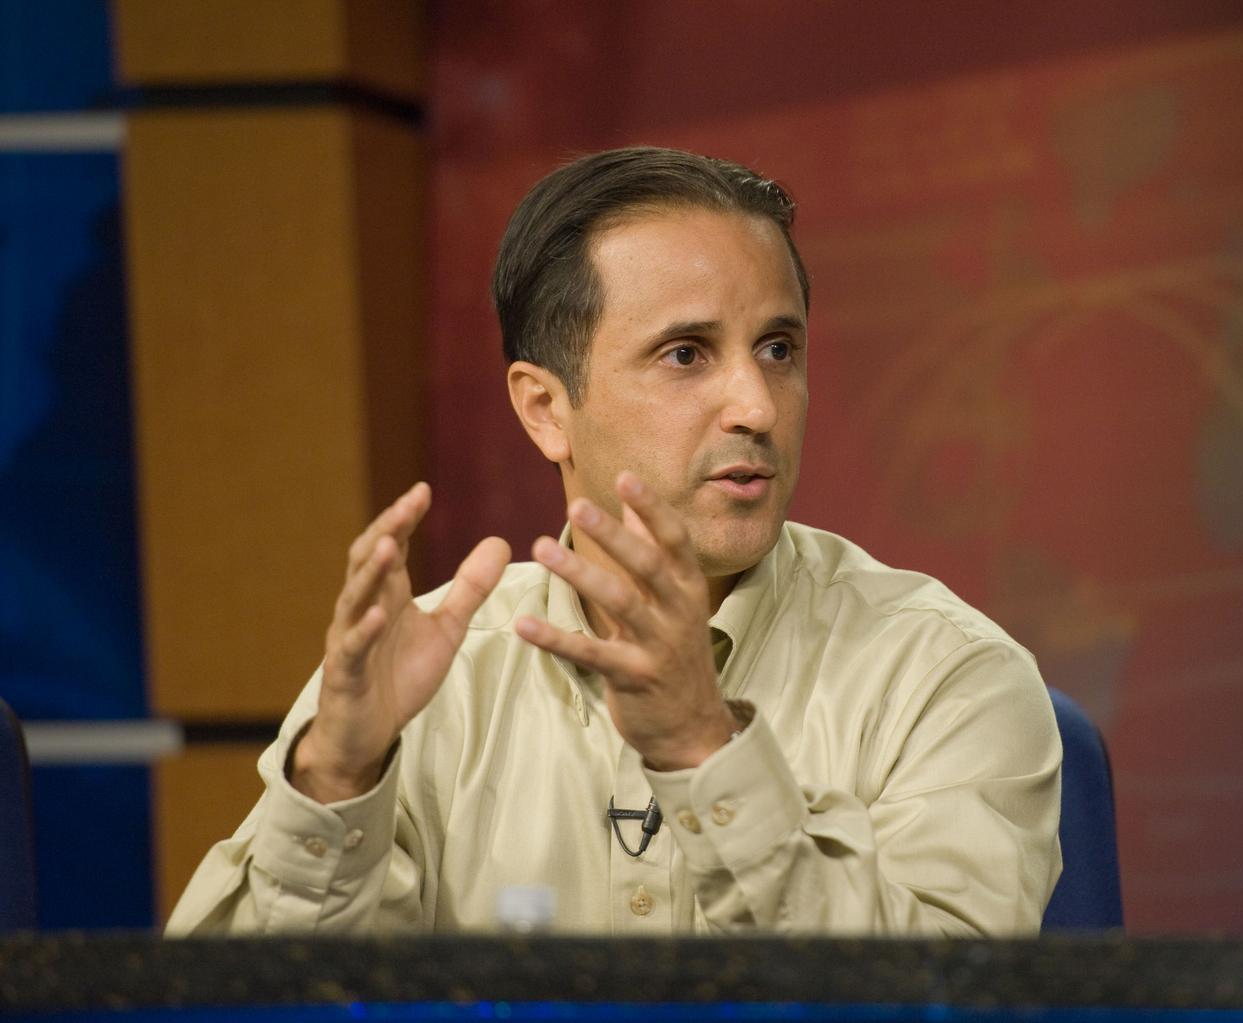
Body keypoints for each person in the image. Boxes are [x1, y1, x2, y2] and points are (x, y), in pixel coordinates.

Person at [167, 147, 1061, 936]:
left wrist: (704, 753)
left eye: (779, 348)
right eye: (686, 354)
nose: (756, 406)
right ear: (545, 408)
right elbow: (220, 1011)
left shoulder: (944, 671)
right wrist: (334, 778)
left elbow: (945, 1001)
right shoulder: (424, 677)